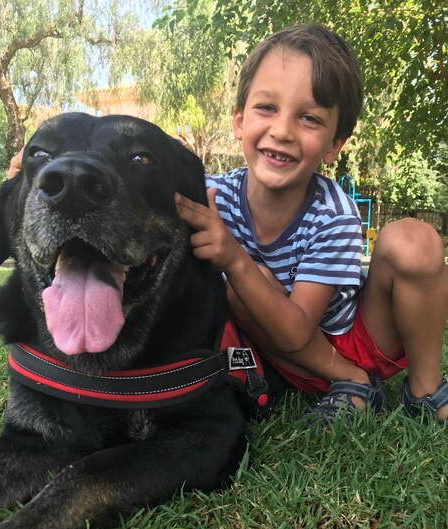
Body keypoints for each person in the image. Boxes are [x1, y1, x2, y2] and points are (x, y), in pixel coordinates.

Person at [175, 23, 448, 424]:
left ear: (334, 145)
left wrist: (233, 259)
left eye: (309, 118)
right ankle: (353, 384)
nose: (283, 131)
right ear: (239, 120)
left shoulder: (333, 214)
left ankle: (424, 390)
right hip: (277, 356)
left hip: (347, 338)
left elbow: (298, 331)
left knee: (416, 241)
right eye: (267, 108)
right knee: (245, 289)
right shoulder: (210, 196)